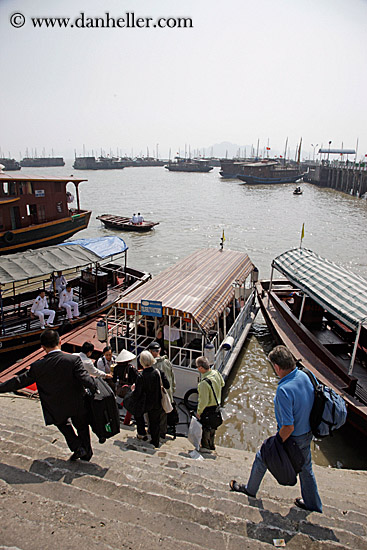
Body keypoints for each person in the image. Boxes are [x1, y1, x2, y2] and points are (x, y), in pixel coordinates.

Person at [229, 345, 322, 514]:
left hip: (293, 437)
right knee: (306, 469)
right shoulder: (306, 375)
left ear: (277, 367)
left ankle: (250, 490)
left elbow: (288, 426)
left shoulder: (283, 390)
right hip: (308, 432)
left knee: (262, 457)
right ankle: (314, 505)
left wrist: (275, 443)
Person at [0, 329, 97, 461]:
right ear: (60, 342)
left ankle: (78, 447)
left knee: (64, 426)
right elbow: (86, 380)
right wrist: (97, 387)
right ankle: (87, 453)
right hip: (76, 402)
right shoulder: (73, 360)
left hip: (55, 406)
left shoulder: (37, 366)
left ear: (43, 347)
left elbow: (18, 381)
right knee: (82, 427)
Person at [132, 350, 170, 448]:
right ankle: (155, 441)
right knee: (155, 423)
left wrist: (133, 389)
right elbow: (167, 385)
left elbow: (137, 393)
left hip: (145, 403)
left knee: (138, 415)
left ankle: (141, 433)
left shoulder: (141, 376)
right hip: (157, 401)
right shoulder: (158, 372)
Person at [147, 341, 176, 439]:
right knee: (163, 416)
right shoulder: (167, 362)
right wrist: (172, 391)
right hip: (167, 394)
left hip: (157, 396)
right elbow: (172, 377)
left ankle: (153, 432)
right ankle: (162, 433)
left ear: (151, 352)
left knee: (153, 415)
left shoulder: (152, 366)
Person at [196, 356, 224, 452]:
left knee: (206, 429)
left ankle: (205, 447)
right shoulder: (216, 373)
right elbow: (222, 384)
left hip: (208, 409)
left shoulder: (204, 383)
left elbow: (203, 401)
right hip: (216, 407)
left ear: (201, 368)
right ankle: (212, 445)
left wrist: (199, 412)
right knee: (213, 428)